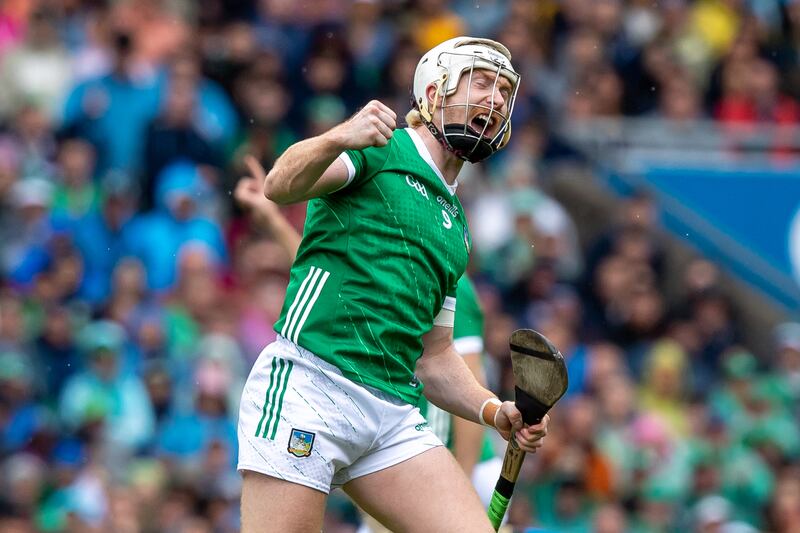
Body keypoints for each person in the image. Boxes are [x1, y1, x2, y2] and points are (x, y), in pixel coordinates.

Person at [236, 36, 548, 533]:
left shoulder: (456, 224)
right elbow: (280, 184)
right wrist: (339, 136)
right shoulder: (381, 150)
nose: (496, 99)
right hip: (311, 385)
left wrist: (493, 410)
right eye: (482, 82)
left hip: (391, 412)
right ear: (436, 90)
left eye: (506, 93)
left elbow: (435, 355)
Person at [234, 179, 503, 523]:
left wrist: (461, 478)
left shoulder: (448, 279)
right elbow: (325, 275)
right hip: (351, 421)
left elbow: (453, 369)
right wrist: (272, 219)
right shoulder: (377, 261)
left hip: (444, 456)